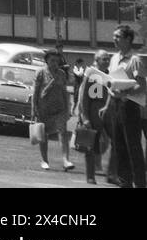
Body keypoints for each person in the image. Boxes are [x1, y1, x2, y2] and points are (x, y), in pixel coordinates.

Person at [107, 24, 147, 189]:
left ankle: (140, 183)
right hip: (116, 106)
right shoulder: (114, 58)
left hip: (130, 106)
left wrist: (125, 94)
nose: (114, 39)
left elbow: (142, 84)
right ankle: (125, 183)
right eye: (114, 36)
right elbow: (111, 81)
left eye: (118, 37)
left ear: (128, 39)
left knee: (133, 147)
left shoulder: (135, 60)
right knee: (119, 146)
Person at [31, 49, 74, 171]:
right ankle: (44, 160)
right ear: (47, 61)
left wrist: (68, 108)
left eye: (57, 61)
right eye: (52, 60)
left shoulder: (61, 74)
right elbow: (35, 91)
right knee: (43, 135)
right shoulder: (40, 73)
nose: (55, 63)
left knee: (63, 133)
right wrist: (34, 108)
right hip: (43, 109)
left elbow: (65, 91)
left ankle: (66, 160)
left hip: (59, 108)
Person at [76, 50, 113, 184]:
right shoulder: (91, 74)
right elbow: (83, 98)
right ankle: (90, 176)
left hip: (109, 114)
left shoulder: (110, 75)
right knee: (90, 145)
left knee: (117, 141)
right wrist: (85, 117)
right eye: (104, 59)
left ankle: (112, 174)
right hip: (93, 114)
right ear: (96, 61)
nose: (107, 61)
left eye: (108, 59)